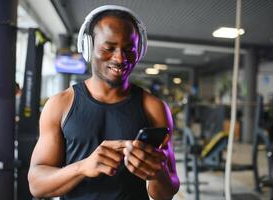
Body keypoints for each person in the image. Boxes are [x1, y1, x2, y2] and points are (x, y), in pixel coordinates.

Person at [28, 5, 179, 200]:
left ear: (139, 51)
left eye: (128, 49)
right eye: (108, 48)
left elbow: (168, 190)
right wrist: (82, 167)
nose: (120, 58)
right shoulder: (60, 105)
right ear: (88, 48)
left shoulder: (155, 108)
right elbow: (36, 185)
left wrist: (157, 174)